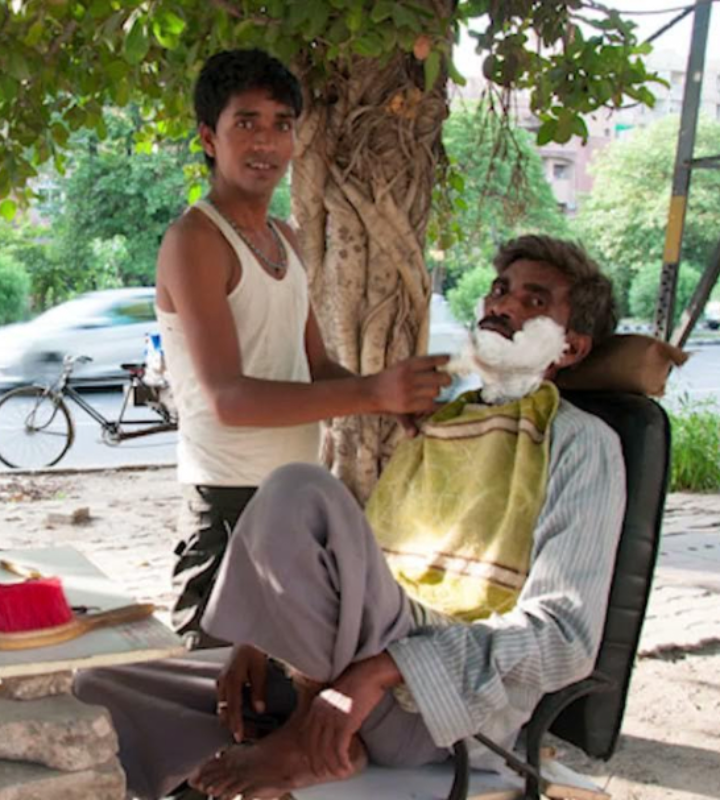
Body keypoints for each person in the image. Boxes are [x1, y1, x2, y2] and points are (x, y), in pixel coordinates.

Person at [75, 235, 625, 800]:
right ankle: (300, 717)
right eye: (499, 291)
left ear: (571, 349)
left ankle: (311, 737)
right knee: (95, 692)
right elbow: (364, 579)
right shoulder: (442, 423)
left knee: (300, 487)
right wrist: (260, 642)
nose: (502, 307)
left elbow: (565, 638)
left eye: (534, 302)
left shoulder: (581, 444)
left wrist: (382, 670)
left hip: (442, 709)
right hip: (354, 667)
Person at [156, 48, 450, 645]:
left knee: (289, 694)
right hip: (229, 505)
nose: (266, 142)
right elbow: (229, 401)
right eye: (247, 123)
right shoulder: (196, 240)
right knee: (212, 698)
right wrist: (371, 391)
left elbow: (315, 365)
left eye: (281, 125)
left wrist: (395, 400)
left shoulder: (285, 239)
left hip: (295, 497)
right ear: (210, 138)